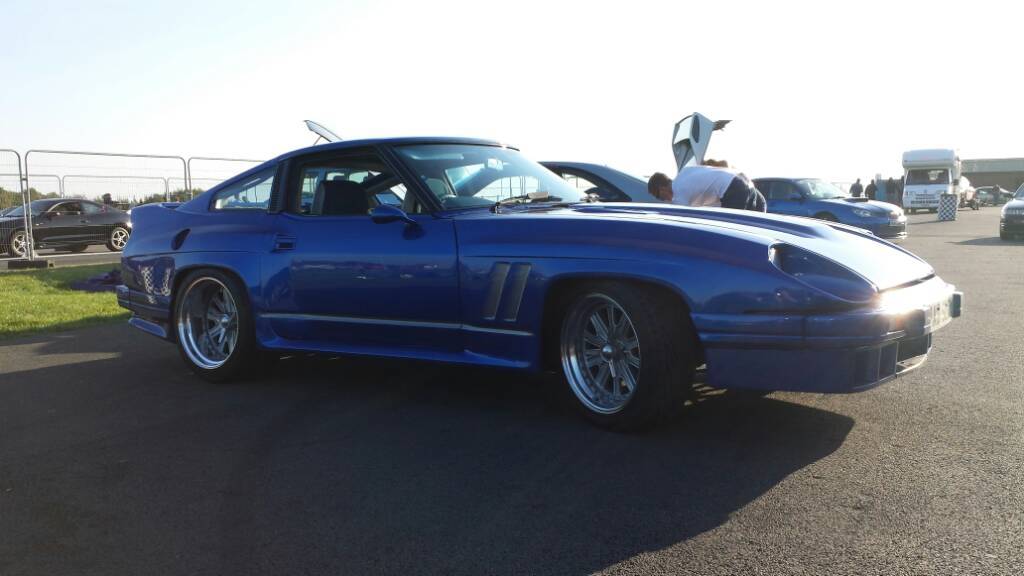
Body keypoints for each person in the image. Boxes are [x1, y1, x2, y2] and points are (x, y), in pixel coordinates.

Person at [671, 158, 766, 212]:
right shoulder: (687, 173)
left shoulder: (679, 190)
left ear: (663, 189)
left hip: (735, 188)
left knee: (730, 228)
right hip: (747, 183)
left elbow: (682, 215)